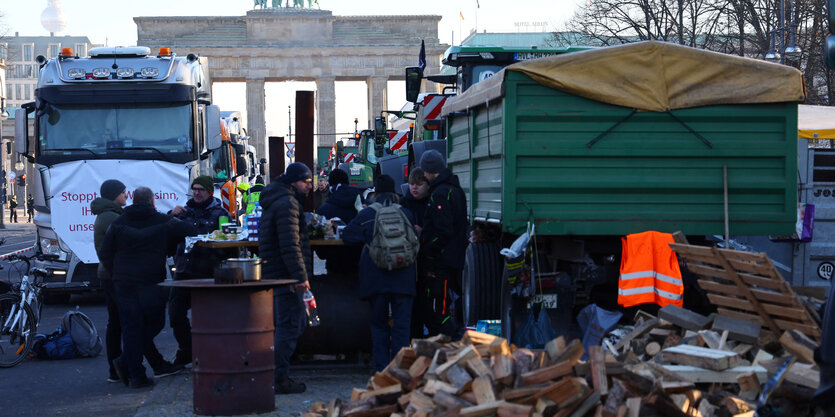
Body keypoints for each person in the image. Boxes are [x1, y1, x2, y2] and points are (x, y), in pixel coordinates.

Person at [99, 187, 197, 388]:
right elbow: (191, 231)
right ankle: (126, 361)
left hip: (124, 281)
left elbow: (105, 251)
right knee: (155, 322)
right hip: (149, 280)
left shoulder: (119, 222)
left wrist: (116, 271)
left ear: (133, 200)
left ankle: (136, 375)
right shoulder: (163, 220)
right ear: (152, 202)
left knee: (131, 326)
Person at [341, 175, 416, 371]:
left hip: (376, 277)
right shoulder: (406, 213)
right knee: (402, 325)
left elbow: (348, 236)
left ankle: (382, 370)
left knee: (379, 325)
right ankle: (400, 370)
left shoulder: (367, 215)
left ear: (376, 192)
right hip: (404, 276)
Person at [259, 162, 314, 394]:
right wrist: (300, 277)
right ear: (294, 181)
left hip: (278, 274)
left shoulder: (278, 200)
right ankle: (278, 379)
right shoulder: (288, 204)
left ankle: (275, 374)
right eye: (306, 182)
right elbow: (290, 245)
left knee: (290, 324)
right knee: (290, 325)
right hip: (286, 277)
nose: (309, 186)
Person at [168, 175, 233, 367]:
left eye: (200, 189)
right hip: (184, 271)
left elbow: (230, 242)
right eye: (194, 189)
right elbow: (166, 234)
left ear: (209, 192)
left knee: (208, 318)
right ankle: (188, 350)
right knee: (176, 314)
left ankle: (211, 355)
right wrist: (169, 215)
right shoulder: (183, 212)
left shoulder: (220, 213)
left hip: (208, 273)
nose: (196, 192)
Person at [417, 150, 469, 338]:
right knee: (448, 303)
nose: (423, 175)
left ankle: (450, 342)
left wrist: (428, 249)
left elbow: (443, 230)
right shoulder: (455, 190)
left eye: (424, 171)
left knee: (439, 307)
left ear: (430, 170)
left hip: (442, 263)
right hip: (454, 258)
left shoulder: (439, 194)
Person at [400, 168, 431, 338]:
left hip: (427, 257)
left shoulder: (431, 202)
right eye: (412, 184)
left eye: (419, 184)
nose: (414, 188)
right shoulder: (405, 203)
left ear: (427, 185)